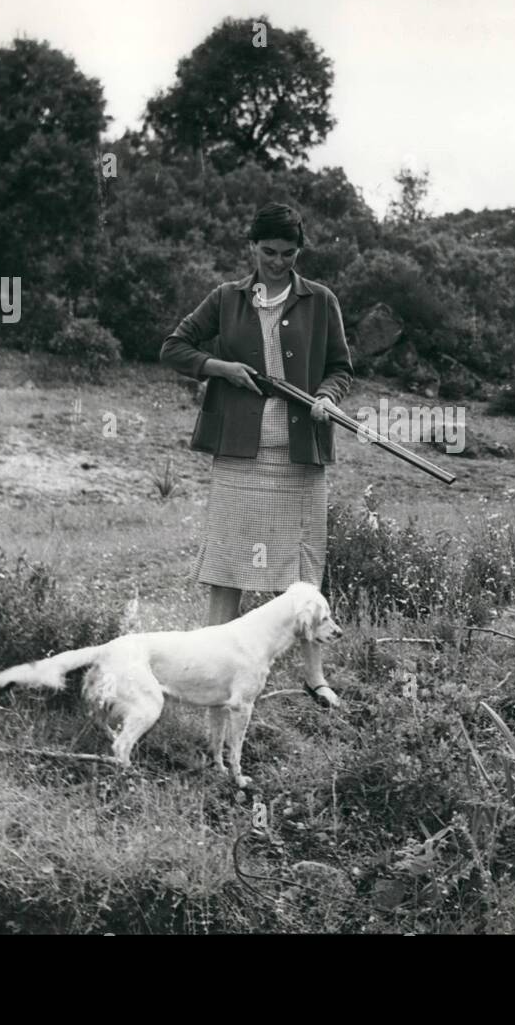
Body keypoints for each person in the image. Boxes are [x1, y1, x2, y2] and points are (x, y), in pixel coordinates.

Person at [160, 202, 352, 707]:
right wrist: (220, 368)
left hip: (299, 459)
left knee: (304, 574)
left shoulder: (321, 300)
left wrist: (328, 397)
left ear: (299, 252)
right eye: (268, 252)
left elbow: (340, 366)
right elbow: (173, 347)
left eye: (288, 254)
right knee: (227, 570)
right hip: (238, 458)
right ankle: (205, 671)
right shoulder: (226, 298)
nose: (278, 262)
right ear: (251, 247)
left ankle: (314, 678)